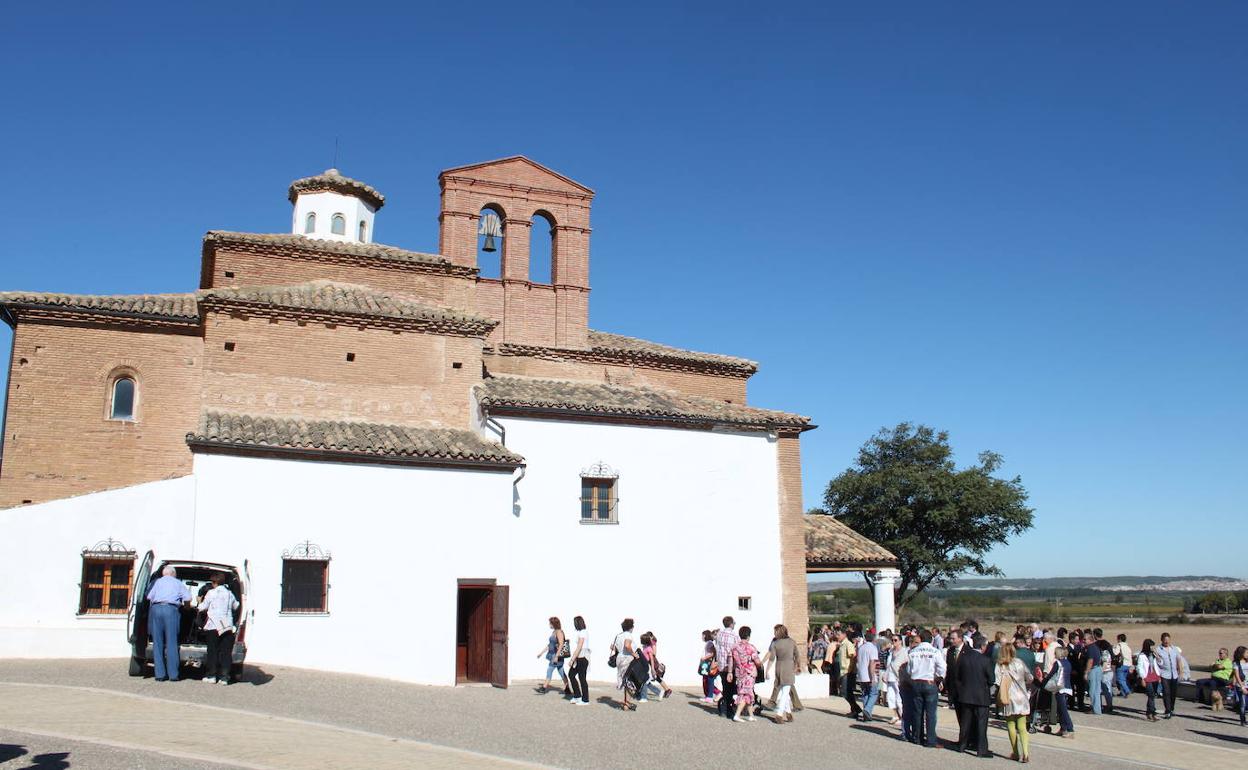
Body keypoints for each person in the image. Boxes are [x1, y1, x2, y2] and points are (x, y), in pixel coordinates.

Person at [145, 565, 190, 682]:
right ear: (173, 574)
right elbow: (188, 598)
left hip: (156, 609)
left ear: (164, 573)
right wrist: (186, 609)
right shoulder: (177, 583)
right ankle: (173, 675)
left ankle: (159, 675)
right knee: (171, 642)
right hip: (171, 610)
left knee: (157, 642)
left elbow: (149, 596)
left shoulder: (157, 582)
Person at [903, 629, 946, 747]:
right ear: (931, 639)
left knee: (918, 712)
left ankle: (918, 738)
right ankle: (931, 740)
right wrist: (939, 678)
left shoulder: (913, 652)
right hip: (930, 682)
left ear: (920, 639)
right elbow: (942, 667)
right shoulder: (935, 651)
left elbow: (909, 670)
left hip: (916, 682)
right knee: (931, 713)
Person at [954, 633, 994, 757]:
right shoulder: (986, 660)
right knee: (981, 724)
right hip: (981, 696)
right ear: (982, 646)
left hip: (966, 694)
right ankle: (981, 750)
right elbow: (991, 679)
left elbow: (958, 676)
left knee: (965, 722)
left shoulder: (964, 658)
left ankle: (962, 745)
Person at [996, 642, 1035, 762]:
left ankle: (1015, 752)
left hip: (1008, 697)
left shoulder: (1000, 665)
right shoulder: (1019, 663)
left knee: (1011, 725)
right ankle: (1026, 753)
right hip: (1021, 696)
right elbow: (1030, 678)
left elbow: (997, 682)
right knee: (1022, 727)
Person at [199, 572, 239, 685]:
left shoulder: (211, 593)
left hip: (213, 624)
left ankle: (212, 675)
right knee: (226, 652)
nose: (212, 584)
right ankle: (224, 677)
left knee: (212, 651)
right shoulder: (230, 594)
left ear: (215, 582)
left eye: (212, 582)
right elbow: (236, 606)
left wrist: (198, 603)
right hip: (226, 624)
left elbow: (203, 607)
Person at [767, 624, 801, 724]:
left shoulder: (775, 643)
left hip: (778, 667)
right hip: (789, 667)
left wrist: (767, 670)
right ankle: (779, 714)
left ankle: (789, 714)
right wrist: (798, 666)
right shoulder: (792, 642)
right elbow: (797, 656)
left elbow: (772, 658)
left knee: (783, 690)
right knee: (785, 692)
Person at [730, 626, 763, 723]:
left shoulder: (735, 647)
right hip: (749, 673)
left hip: (739, 673)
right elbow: (757, 661)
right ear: (748, 636)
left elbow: (731, 660)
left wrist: (729, 672)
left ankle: (751, 715)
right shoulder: (751, 647)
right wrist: (760, 664)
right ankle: (737, 714)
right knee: (747, 693)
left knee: (746, 692)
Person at [1040, 645, 1074, 738]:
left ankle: (1070, 729)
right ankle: (1063, 728)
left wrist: (1043, 683)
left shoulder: (1057, 663)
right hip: (1067, 687)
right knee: (1060, 709)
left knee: (1063, 710)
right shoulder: (1067, 662)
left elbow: (1051, 674)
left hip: (1060, 688)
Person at [537, 617, 570, 695]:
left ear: (553, 624)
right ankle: (567, 688)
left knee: (550, 669)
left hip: (556, 656)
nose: (549, 625)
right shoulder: (554, 632)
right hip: (552, 655)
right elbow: (550, 645)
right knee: (561, 671)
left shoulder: (559, 632)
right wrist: (541, 653)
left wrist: (556, 656)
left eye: (550, 623)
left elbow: (561, 644)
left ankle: (544, 687)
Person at [714, 616, 739, 719]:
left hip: (721, 665)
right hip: (730, 666)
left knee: (725, 687)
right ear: (731, 624)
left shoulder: (719, 634)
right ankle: (729, 710)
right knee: (731, 687)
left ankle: (725, 708)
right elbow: (737, 650)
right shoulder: (734, 635)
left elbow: (717, 648)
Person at [611, 618, 638, 710]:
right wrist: (634, 654)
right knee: (630, 680)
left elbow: (612, 647)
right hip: (627, 659)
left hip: (619, 658)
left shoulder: (619, 635)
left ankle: (626, 702)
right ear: (630, 627)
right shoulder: (628, 635)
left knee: (625, 680)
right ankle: (627, 703)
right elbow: (627, 645)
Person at [1082, 631, 1111, 715]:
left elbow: (1090, 661)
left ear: (1090, 639)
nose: (1083, 641)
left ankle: (1095, 709)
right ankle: (1097, 708)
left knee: (1093, 690)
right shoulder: (1095, 647)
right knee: (1097, 690)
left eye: (1085, 639)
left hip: (1094, 669)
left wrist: (1086, 672)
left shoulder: (1091, 648)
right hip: (1098, 669)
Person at [855, 630, 881, 722]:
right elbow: (872, 663)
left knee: (865, 694)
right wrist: (872, 677)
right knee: (873, 693)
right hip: (869, 674)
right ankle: (867, 709)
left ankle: (867, 713)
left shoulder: (861, 648)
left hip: (861, 675)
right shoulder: (872, 648)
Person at [1154, 633, 1181, 719]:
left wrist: (1181, 671)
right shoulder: (1158, 649)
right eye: (1165, 640)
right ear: (1161, 640)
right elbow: (1156, 663)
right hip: (1164, 674)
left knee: (1173, 693)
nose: (1166, 642)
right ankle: (1168, 710)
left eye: (1168, 640)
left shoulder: (1174, 649)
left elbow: (1178, 660)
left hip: (1174, 674)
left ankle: (1171, 709)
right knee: (1166, 693)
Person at [640, 632, 673, 699]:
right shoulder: (649, 644)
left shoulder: (653, 643)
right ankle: (666, 690)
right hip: (650, 662)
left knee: (657, 677)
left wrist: (648, 652)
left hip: (652, 662)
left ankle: (667, 690)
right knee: (657, 678)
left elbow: (654, 653)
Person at [884, 632, 907, 728]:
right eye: (892, 640)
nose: (893, 642)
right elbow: (889, 665)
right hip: (890, 677)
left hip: (898, 677)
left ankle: (903, 717)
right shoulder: (891, 651)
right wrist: (885, 675)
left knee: (899, 699)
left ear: (901, 641)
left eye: (895, 640)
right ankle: (895, 715)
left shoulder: (904, 651)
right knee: (891, 697)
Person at [567, 616, 590, 705]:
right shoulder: (582, 632)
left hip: (583, 657)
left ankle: (585, 700)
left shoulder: (583, 633)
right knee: (571, 675)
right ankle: (577, 696)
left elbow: (580, 647)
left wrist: (572, 659)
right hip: (579, 657)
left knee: (582, 678)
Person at [1137, 638, 1160, 722]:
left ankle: (1149, 712)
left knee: (1153, 695)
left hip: (1155, 676)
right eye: (1151, 646)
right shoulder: (1142, 656)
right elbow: (1139, 668)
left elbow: (1160, 663)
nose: (1152, 648)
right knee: (1151, 695)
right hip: (1147, 677)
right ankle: (1152, 713)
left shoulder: (1153, 655)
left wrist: (1157, 655)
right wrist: (1142, 678)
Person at [699, 629, 720, 703]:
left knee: (707, 680)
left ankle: (711, 695)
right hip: (706, 663)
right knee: (706, 680)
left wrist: (704, 658)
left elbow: (712, 653)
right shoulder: (709, 643)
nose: (702, 637)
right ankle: (708, 695)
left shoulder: (710, 643)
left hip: (708, 663)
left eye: (702, 635)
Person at [1112, 633, 1133, 698]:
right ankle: (1123, 693)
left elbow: (1115, 652)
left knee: (1120, 680)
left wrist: (1113, 648)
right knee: (1124, 679)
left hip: (1122, 664)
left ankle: (1127, 691)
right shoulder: (1128, 647)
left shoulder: (1119, 645)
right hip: (1128, 665)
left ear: (1120, 639)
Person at [1231, 646, 1248, 727]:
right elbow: (1237, 676)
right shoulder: (1236, 663)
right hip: (1241, 685)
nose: (1247, 654)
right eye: (1246, 653)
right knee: (1243, 704)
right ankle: (1243, 720)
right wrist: (1242, 687)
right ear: (1241, 653)